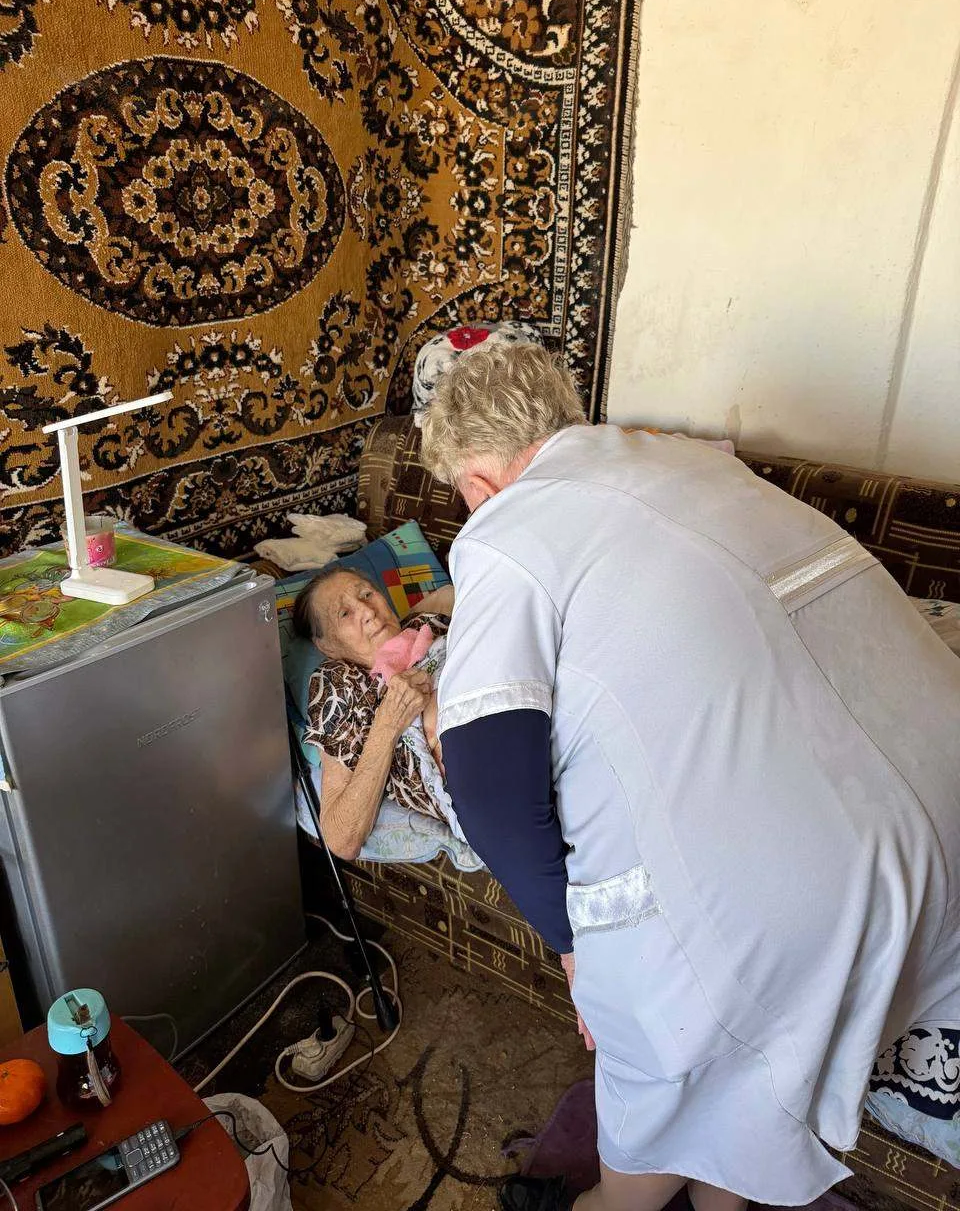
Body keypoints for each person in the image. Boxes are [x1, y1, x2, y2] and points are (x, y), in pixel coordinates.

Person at [419, 339, 960, 1211]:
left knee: (662, 1104)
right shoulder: (688, 461)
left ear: (476, 485)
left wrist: (575, 948)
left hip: (790, 895)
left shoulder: (504, 532)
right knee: (735, 1111)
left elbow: (487, 788)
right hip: (941, 809)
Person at [293, 566, 459, 858]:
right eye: (345, 613)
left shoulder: (428, 622)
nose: (368, 611)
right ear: (327, 645)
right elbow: (341, 840)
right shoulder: (339, 682)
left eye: (367, 594)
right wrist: (389, 720)